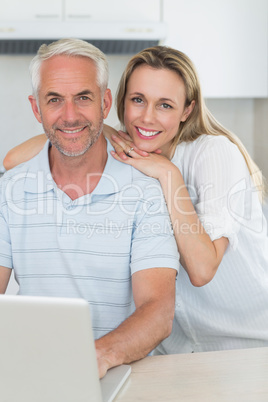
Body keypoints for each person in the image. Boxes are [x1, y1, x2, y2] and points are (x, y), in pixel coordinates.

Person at [4, 45, 268, 353]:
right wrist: (91, 128)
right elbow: (12, 160)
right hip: (185, 350)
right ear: (118, 103)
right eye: (138, 100)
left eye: (165, 105)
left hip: (251, 343)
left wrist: (168, 174)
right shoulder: (128, 148)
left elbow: (201, 269)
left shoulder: (211, 153)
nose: (147, 117)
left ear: (187, 110)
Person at [0, 39, 180, 378]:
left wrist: (93, 358)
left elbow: (158, 311)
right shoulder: (9, 191)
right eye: (54, 100)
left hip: (119, 376)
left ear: (105, 103)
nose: (70, 116)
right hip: (28, 375)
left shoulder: (144, 192)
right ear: (36, 108)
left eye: (83, 97)